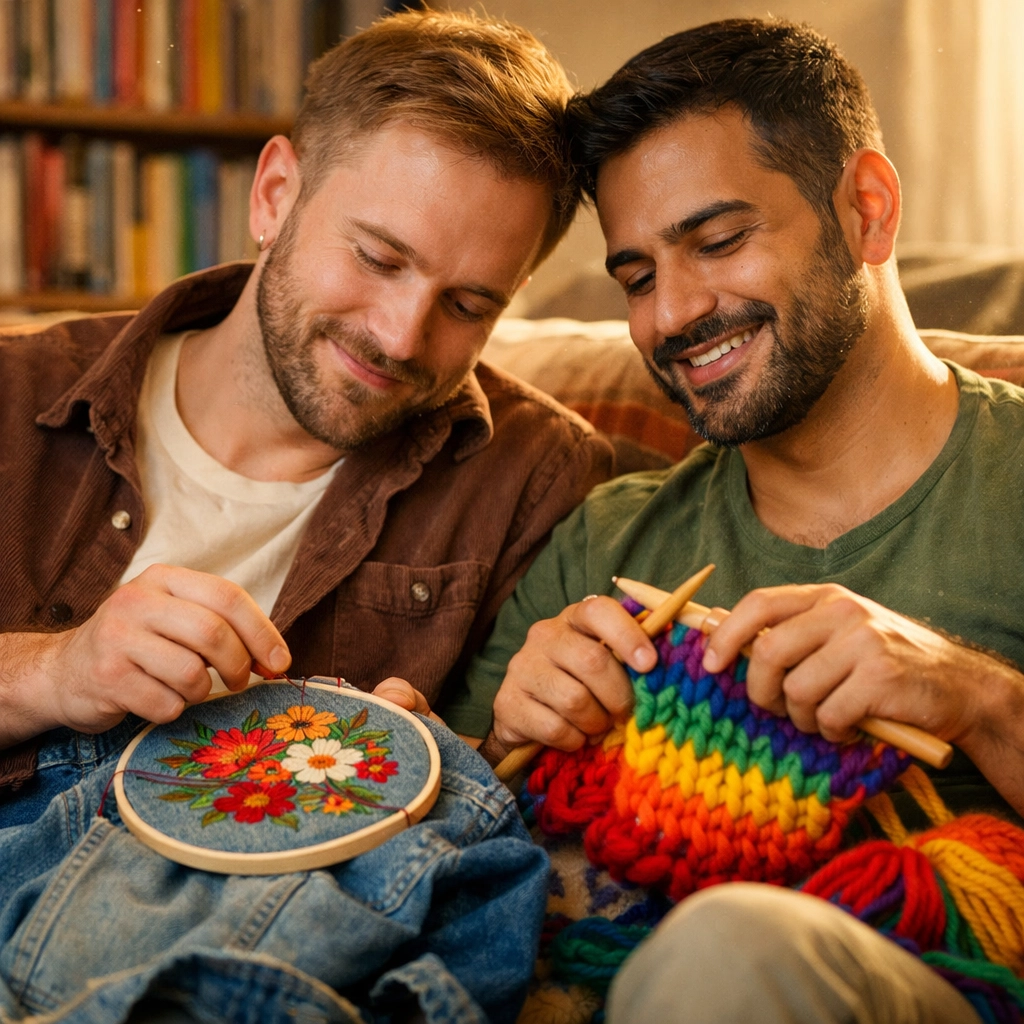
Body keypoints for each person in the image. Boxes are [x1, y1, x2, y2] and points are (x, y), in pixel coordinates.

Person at [458, 17, 1024, 1022]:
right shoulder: (606, 542)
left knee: (729, 945)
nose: (672, 313)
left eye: (718, 242)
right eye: (637, 278)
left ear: (868, 210)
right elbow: (441, 859)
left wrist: (977, 699)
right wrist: (510, 734)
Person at [0, 10, 612, 821]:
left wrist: (451, 764)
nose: (401, 337)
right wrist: (53, 673)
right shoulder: (14, 389)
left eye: (468, 304)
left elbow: (514, 783)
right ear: (274, 196)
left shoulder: (536, 475)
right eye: (379, 258)